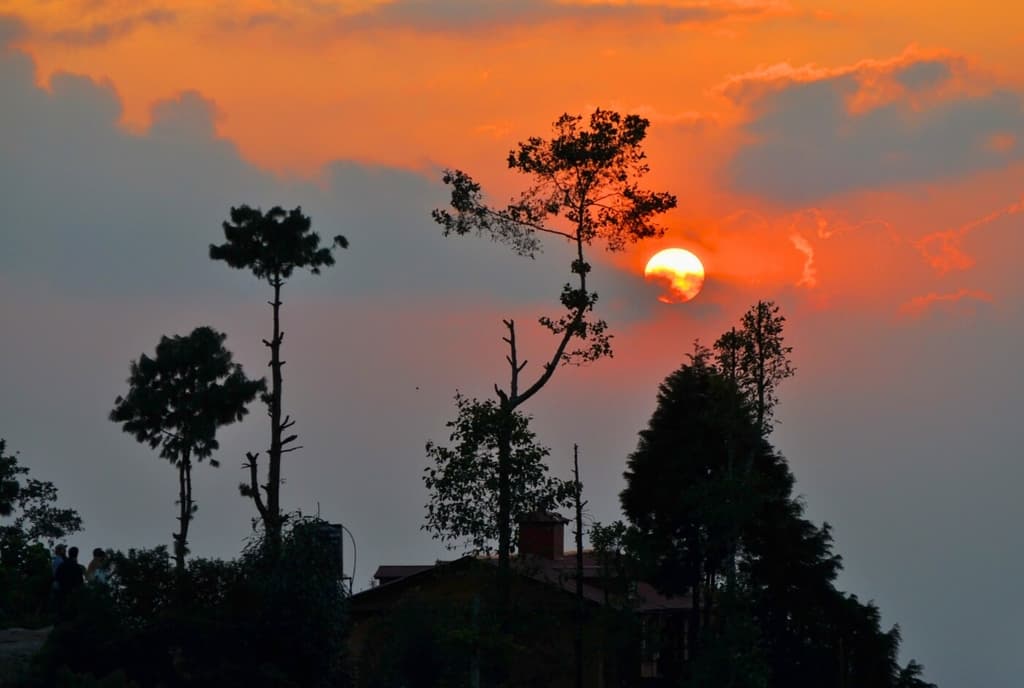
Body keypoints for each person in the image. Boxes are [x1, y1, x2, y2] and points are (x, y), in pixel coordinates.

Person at [54, 546, 85, 618]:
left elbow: (57, 577)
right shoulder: (77, 567)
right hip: (72, 592)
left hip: (62, 590)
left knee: (61, 610)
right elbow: (80, 581)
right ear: (77, 554)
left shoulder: (62, 564)